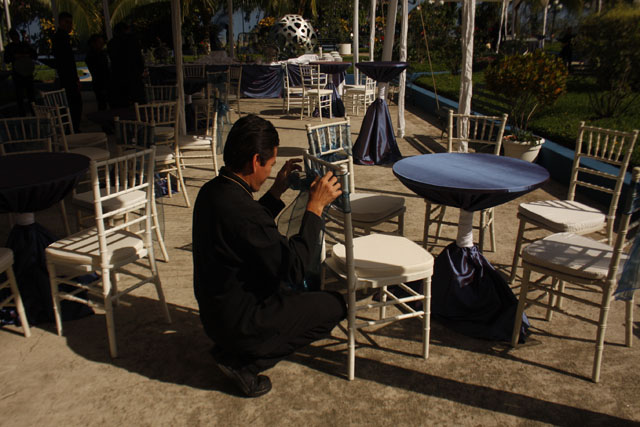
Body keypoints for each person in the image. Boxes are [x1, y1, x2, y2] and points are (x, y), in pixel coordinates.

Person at [192, 114, 346, 398]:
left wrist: (276, 190)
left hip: (216, 314)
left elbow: (250, 231)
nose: (270, 171)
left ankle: (234, 348)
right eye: (271, 164)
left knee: (292, 294)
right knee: (334, 305)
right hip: (240, 322)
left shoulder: (213, 191)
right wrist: (315, 207)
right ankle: (245, 362)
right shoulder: (244, 212)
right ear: (254, 161)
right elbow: (295, 267)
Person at [108, 22, 146, 107]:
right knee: (138, 102)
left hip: (119, 77)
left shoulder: (112, 43)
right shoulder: (133, 41)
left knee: (122, 104)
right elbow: (138, 58)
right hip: (133, 76)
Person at [4, 28, 37, 116]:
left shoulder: (24, 45)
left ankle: (34, 112)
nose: (15, 37)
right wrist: (15, 57)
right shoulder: (10, 47)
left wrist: (26, 55)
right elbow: (6, 59)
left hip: (27, 72)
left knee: (31, 95)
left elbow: (34, 55)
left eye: (16, 35)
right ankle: (23, 114)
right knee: (20, 96)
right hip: (18, 74)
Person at [85, 34, 110, 111]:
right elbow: (100, 70)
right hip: (101, 82)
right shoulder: (95, 56)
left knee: (102, 103)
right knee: (102, 103)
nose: (102, 44)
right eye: (99, 42)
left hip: (100, 81)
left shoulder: (99, 54)